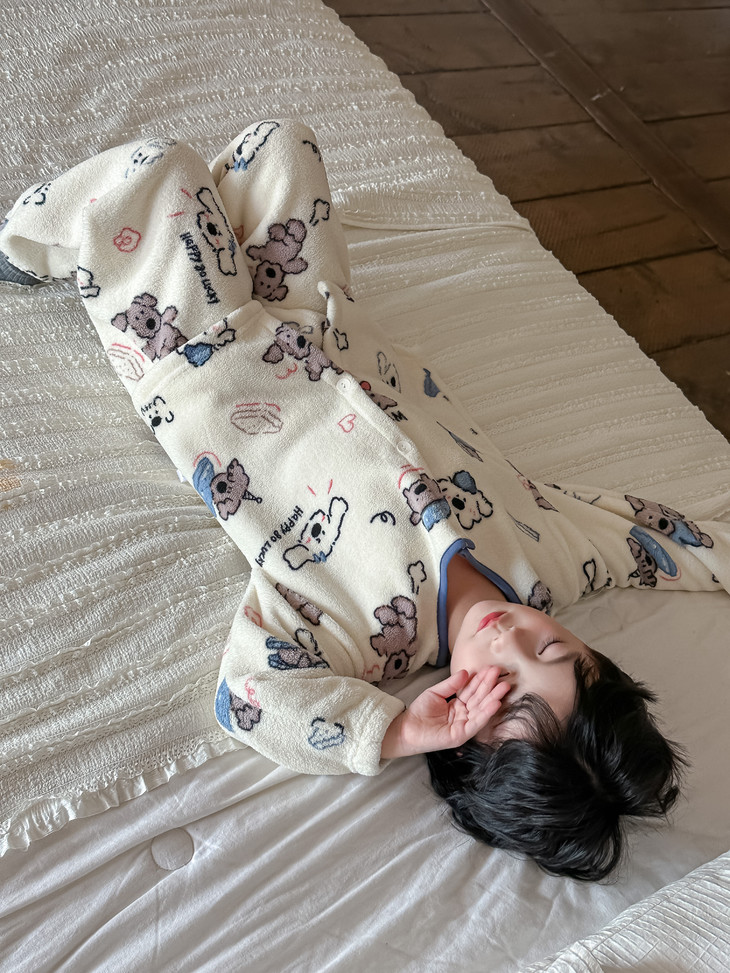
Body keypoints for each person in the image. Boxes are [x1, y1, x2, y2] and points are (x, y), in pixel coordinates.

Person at [2, 119, 727, 881]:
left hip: (199, 357)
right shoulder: (555, 559)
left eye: (503, 686)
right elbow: (658, 541)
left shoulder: (360, 635)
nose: (513, 639)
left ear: (464, 735)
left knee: (156, 170)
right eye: (554, 650)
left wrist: (397, 730)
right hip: (315, 318)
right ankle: (206, 235)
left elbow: (251, 699)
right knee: (280, 146)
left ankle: (27, 244)